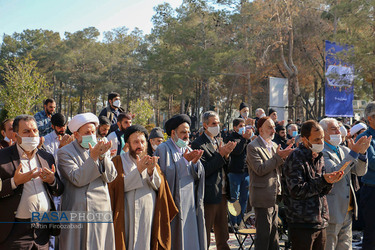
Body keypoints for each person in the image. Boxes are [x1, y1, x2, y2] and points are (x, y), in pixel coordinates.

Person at [109, 125, 178, 250]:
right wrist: (139, 170)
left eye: (142, 141)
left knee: (145, 242)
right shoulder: (118, 161)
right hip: (126, 212)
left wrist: (151, 172)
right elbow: (117, 187)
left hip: (147, 213)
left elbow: (160, 188)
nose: (139, 145)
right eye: (135, 142)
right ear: (128, 144)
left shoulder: (152, 162)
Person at [0, 115, 64, 249]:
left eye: (35, 130)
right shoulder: (2, 157)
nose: (32, 135)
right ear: (16, 135)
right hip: (14, 233)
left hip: (42, 233)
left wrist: (52, 180)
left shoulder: (46, 157)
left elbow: (59, 189)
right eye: (26, 131)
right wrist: (14, 182)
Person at [57, 113, 117, 250]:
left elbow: (111, 176)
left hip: (100, 209)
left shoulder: (102, 148)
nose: (91, 135)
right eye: (86, 132)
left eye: (93, 132)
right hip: (76, 210)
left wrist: (102, 157)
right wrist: (93, 157)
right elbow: (77, 179)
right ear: (76, 134)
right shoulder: (65, 152)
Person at [282, 120, 344, 250]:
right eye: (316, 140)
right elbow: (296, 190)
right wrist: (323, 181)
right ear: (304, 140)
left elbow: (321, 190)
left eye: (321, 138)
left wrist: (329, 182)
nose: (321, 143)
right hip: (302, 222)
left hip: (320, 221)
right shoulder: (296, 157)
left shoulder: (319, 156)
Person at [154, 114, 206, 250]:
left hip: (189, 202)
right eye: (183, 132)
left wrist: (195, 164)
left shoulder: (188, 149)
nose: (187, 135)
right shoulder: (163, 149)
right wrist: (184, 161)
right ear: (173, 132)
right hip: (173, 203)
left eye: (188, 132)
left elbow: (198, 176)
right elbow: (163, 176)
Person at [319, 118, 370, 250]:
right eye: (333, 129)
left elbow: (359, 172)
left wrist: (363, 153)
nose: (338, 131)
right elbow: (335, 173)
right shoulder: (322, 152)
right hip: (332, 210)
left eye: (338, 128)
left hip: (347, 210)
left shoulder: (344, 150)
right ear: (323, 132)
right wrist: (354, 152)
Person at [246, 116, 293, 250]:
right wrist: (279, 157)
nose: (273, 130)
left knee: (273, 235)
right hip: (262, 197)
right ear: (260, 130)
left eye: (274, 127)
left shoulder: (273, 145)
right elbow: (260, 169)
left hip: (274, 195)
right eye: (270, 127)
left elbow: (277, 167)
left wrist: (285, 157)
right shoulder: (252, 147)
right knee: (263, 235)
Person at [192, 111, 237, 250]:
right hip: (209, 195)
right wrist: (221, 154)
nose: (217, 126)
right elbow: (204, 170)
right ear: (205, 125)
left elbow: (225, 167)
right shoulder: (198, 144)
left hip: (222, 193)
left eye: (218, 123)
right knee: (205, 233)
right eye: (213, 124)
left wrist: (227, 156)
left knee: (223, 234)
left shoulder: (218, 140)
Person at [224, 118, 252, 226]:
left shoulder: (245, 138)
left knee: (244, 198)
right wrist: (244, 140)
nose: (243, 128)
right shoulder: (230, 138)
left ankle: (240, 220)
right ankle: (233, 221)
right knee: (234, 198)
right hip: (234, 172)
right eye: (240, 126)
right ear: (235, 127)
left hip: (245, 173)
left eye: (244, 125)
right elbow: (236, 152)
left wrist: (247, 139)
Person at [356, 102, 375, 249]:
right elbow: (372, 162)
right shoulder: (364, 138)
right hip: (371, 190)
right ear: (370, 118)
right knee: (371, 233)